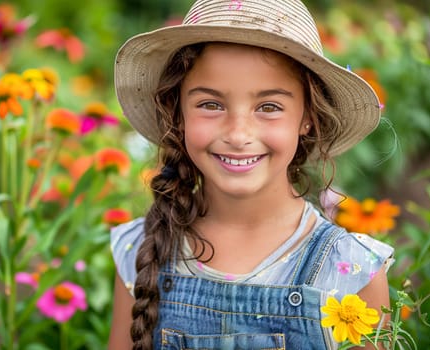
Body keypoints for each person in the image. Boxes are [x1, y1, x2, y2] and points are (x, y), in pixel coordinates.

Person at [109, 0, 394, 349]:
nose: (238, 134)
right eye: (211, 104)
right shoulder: (141, 250)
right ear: (177, 112)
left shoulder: (351, 270)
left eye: (269, 107)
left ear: (307, 117)